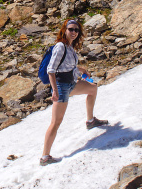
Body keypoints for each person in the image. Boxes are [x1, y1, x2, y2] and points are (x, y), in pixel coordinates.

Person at [40, 19, 107, 165]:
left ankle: (90, 121)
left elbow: (67, 66)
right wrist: (55, 91)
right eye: (71, 29)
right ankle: (45, 157)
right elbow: (51, 70)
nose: (74, 32)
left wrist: (81, 70)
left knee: (93, 89)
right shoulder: (60, 46)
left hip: (70, 83)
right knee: (56, 122)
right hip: (61, 87)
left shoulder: (69, 47)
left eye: (77, 30)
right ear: (64, 30)